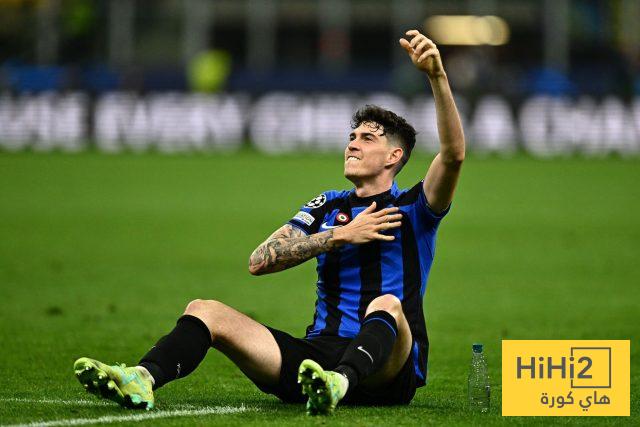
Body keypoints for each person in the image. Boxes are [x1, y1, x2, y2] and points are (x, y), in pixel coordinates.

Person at [73, 29, 465, 415]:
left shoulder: (415, 208)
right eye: (352, 136)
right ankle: (142, 377)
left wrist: (436, 76)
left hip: (387, 370)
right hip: (317, 358)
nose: (352, 143)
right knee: (204, 309)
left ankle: (340, 383)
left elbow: (452, 155)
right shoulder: (328, 206)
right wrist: (339, 236)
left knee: (387, 304)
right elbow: (260, 260)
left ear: (394, 156)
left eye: (367, 138)